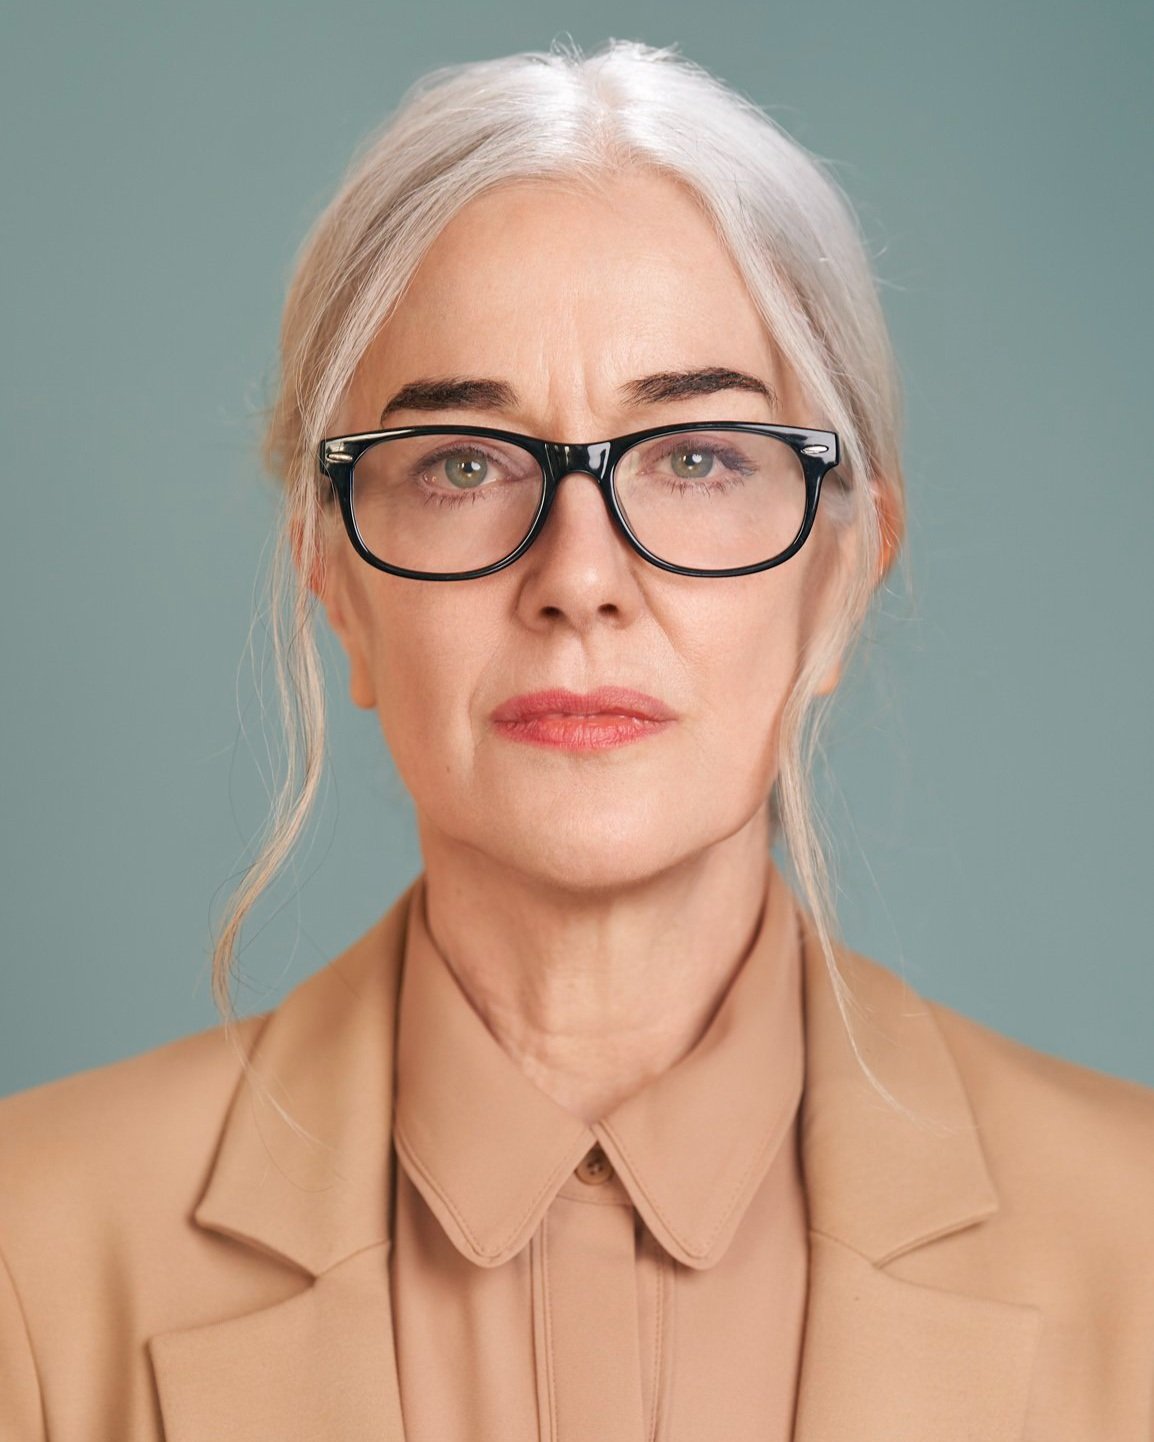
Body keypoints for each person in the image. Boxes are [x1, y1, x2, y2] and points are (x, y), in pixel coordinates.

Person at [2, 38, 1152, 1442]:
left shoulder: (1134, 1245)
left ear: (841, 578)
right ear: (338, 589)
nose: (579, 575)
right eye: (465, 465)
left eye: (695, 457)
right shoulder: (32, 1256)